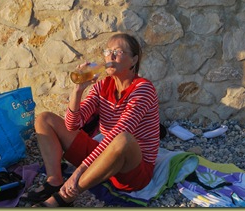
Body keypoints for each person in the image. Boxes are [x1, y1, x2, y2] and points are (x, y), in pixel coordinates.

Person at [25, 33, 160, 207]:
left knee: (123, 139)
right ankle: (55, 181)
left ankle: (64, 198)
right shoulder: (102, 86)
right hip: (105, 158)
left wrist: (79, 172)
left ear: (133, 60)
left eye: (117, 52)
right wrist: (78, 90)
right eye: (107, 51)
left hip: (134, 169)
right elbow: (72, 125)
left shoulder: (143, 89)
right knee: (45, 119)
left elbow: (119, 134)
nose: (109, 57)